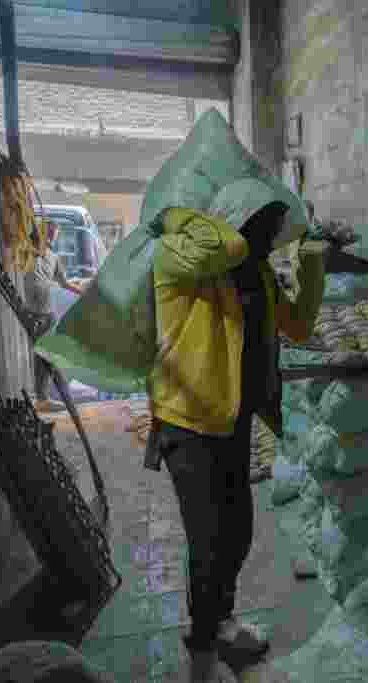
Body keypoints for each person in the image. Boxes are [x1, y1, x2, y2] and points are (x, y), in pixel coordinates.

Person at [145, 193, 324, 683]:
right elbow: (215, 243)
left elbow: (299, 327)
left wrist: (311, 258)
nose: (272, 237)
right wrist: (180, 216)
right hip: (188, 420)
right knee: (210, 538)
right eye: (266, 226)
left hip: (233, 417)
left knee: (237, 531)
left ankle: (217, 620)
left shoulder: (259, 270)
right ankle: (202, 651)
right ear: (240, 225)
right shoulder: (179, 259)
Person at [25, 219, 82, 412]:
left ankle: (43, 398)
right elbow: (19, 248)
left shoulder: (54, 257)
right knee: (43, 355)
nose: (51, 237)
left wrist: (84, 293)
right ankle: (42, 398)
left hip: (48, 313)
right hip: (34, 314)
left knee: (47, 355)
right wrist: (34, 240)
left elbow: (65, 283)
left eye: (53, 233)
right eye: (48, 232)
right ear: (39, 233)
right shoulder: (28, 253)